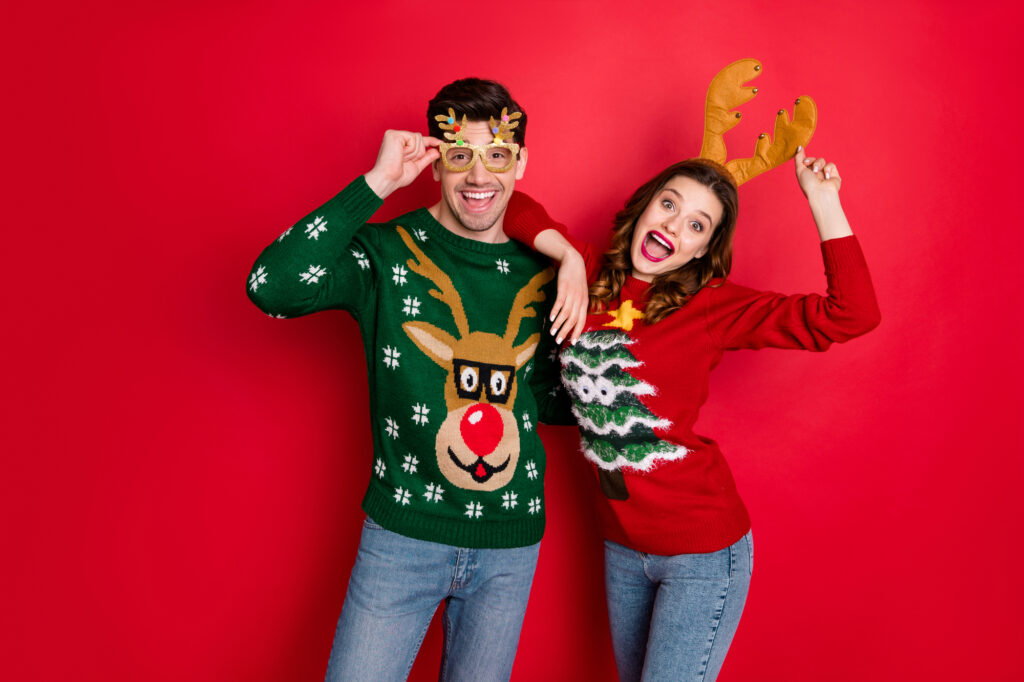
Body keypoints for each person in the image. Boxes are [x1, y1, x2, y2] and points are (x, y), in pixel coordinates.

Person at [503, 147, 880, 680]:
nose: (674, 225)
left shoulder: (711, 305)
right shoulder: (584, 271)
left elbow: (852, 315)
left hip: (702, 553)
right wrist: (564, 256)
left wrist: (823, 200)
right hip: (623, 548)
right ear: (643, 207)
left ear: (705, 248)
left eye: (696, 223)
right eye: (669, 204)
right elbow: (512, 204)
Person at [246, 78, 571, 681]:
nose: (478, 177)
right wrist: (376, 184)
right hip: (402, 536)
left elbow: (549, 402)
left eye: (497, 155)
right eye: (459, 156)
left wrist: (587, 288)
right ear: (433, 162)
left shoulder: (546, 272)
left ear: (521, 161)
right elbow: (272, 287)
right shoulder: (387, 253)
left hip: (510, 545)